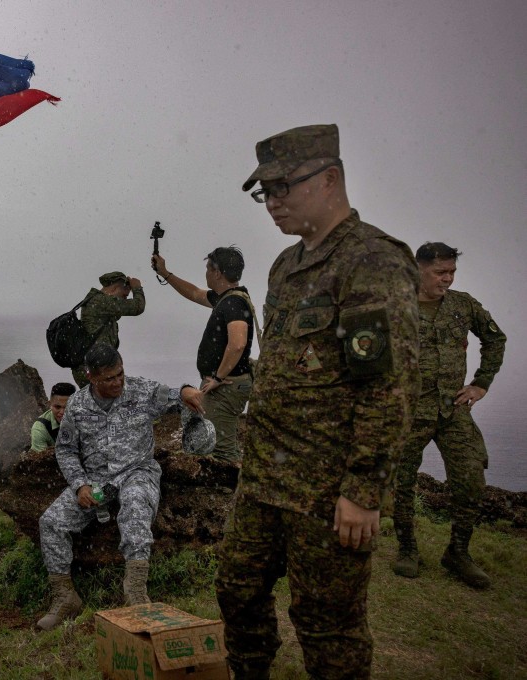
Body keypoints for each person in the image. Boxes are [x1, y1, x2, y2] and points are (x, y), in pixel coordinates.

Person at [214, 124, 419, 680]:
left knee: (328, 624)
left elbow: (387, 388)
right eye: (266, 193)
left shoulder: (371, 261)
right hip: (263, 477)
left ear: (330, 179)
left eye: (283, 188)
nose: (272, 203)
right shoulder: (285, 267)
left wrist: (362, 489)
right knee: (236, 588)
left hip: (326, 490)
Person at [36, 344, 204, 631]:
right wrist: (79, 486)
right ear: (91, 377)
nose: (117, 382)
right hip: (96, 480)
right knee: (50, 522)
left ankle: (136, 593)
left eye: (120, 374)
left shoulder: (140, 391)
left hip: (136, 472)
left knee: (136, 504)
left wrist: (188, 389)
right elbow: (65, 450)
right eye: (109, 379)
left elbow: (177, 397)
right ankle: (65, 597)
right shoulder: (76, 405)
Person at [392, 242, 505, 588]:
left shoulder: (462, 305)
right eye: (440, 272)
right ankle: (407, 548)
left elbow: (495, 339)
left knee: (471, 477)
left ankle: (458, 552)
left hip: (452, 409)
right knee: (401, 482)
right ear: (418, 269)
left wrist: (480, 384)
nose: (448, 279)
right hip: (409, 411)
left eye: (452, 272)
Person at [152, 247, 256, 463]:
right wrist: (166, 273)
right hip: (226, 384)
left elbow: (237, 344)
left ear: (217, 272)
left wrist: (218, 378)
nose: (206, 273)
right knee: (215, 440)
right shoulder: (226, 298)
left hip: (227, 385)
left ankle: (232, 491)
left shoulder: (233, 303)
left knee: (222, 449)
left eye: (208, 268)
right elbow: (194, 293)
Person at [71, 271, 145, 388]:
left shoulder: (97, 301)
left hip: (93, 367)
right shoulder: (100, 301)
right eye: (124, 296)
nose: (123, 300)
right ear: (115, 288)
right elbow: (138, 307)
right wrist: (137, 288)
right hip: (93, 369)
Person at [29, 382, 76, 452]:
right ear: (49, 404)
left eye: (68, 407)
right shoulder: (40, 429)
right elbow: (41, 461)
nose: (62, 412)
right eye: (57, 407)